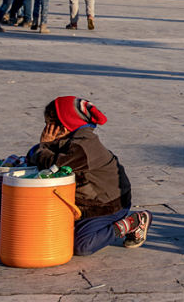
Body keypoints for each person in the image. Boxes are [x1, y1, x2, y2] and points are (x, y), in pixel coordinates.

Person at [29, 97, 151, 256]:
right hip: (86, 204)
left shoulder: (82, 147)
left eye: (48, 125)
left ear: (64, 126)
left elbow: (52, 166)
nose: (46, 130)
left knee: (82, 246)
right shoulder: (68, 140)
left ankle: (133, 221)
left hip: (107, 205)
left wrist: (43, 146)